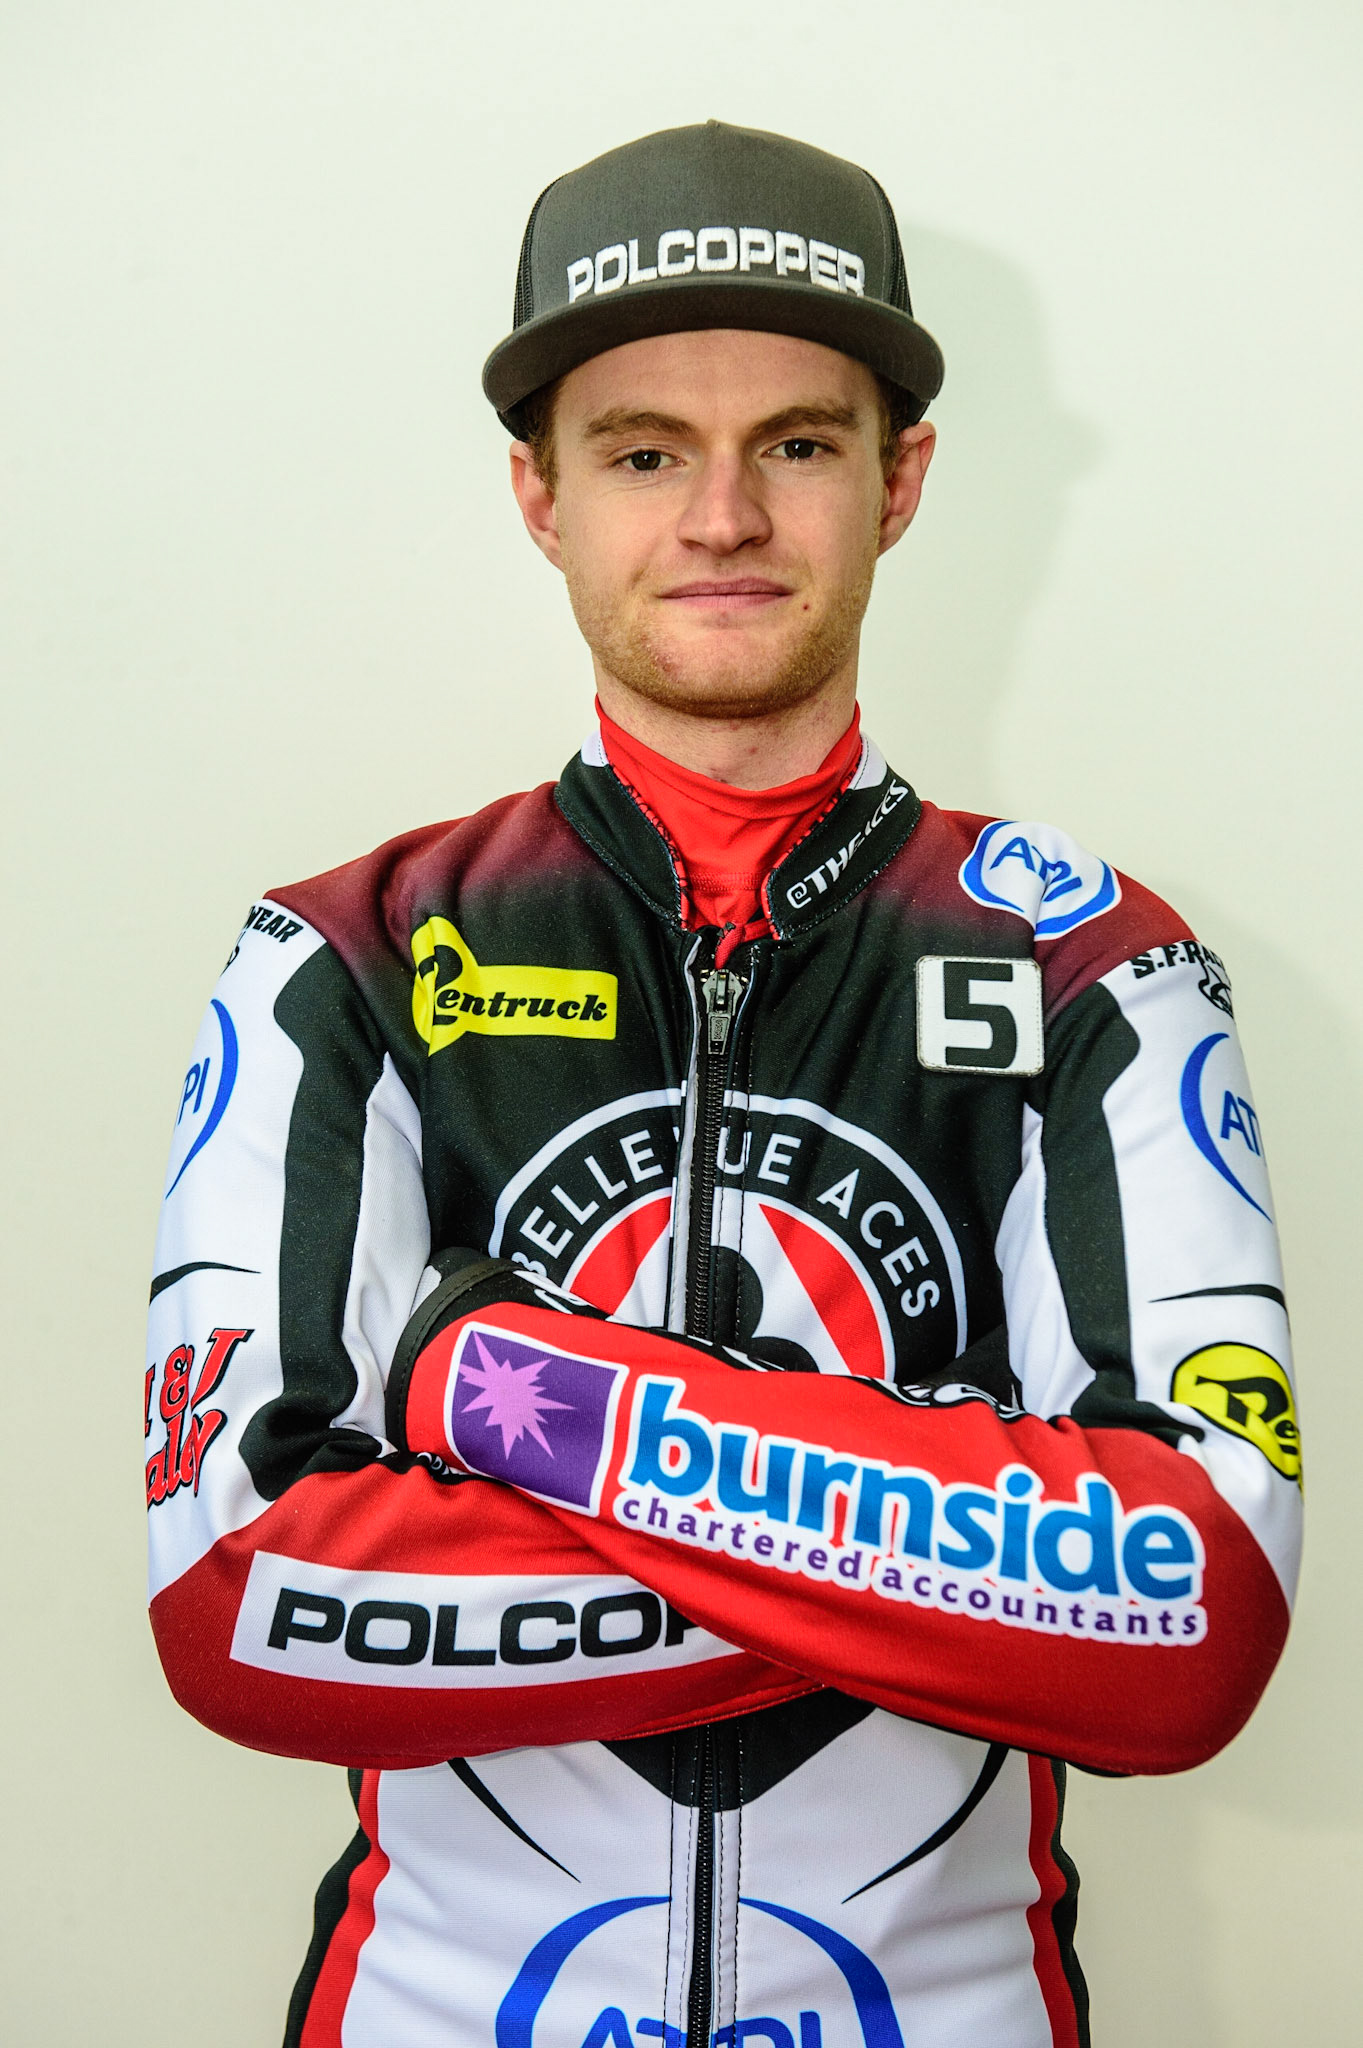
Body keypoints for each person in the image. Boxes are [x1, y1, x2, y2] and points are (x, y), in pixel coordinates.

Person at [145, 121, 1301, 2048]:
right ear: (541, 495)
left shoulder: (1101, 964)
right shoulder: (336, 954)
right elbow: (244, 1603)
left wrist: (491, 1389)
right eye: (643, 452)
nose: (722, 519)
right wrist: (966, 1566)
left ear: (900, 480)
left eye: (796, 441)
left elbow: (1190, 1631)